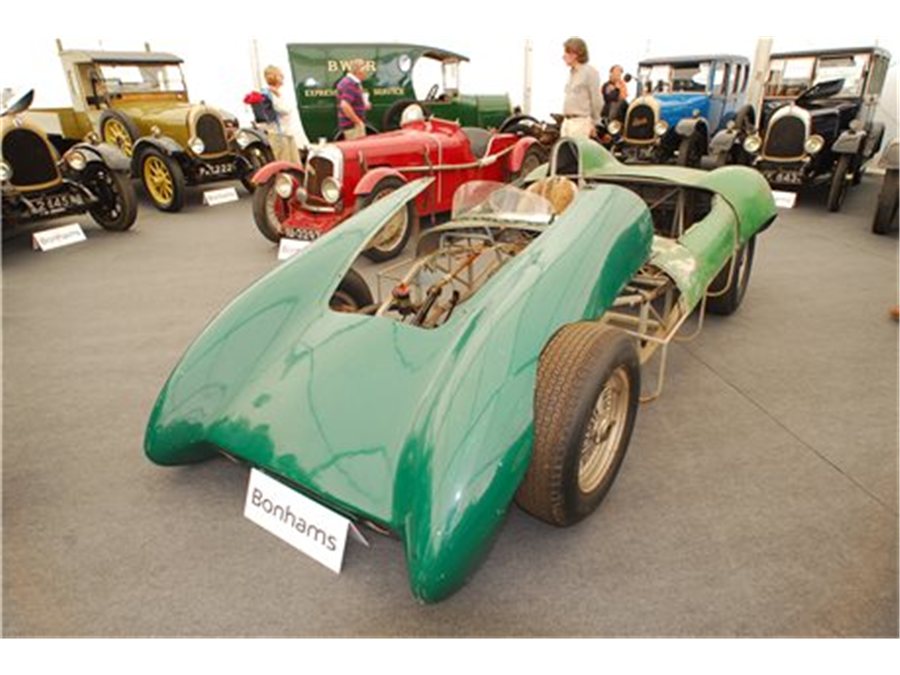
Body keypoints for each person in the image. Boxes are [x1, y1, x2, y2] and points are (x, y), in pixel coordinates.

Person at [260, 65, 307, 160]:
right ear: (274, 77)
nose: (283, 78)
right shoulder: (270, 93)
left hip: (285, 132)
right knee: (285, 161)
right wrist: (279, 96)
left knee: (293, 160)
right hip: (279, 134)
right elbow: (284, 109)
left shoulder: (273, 92)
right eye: (280, 75)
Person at [560, 37, 603, 140]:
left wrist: (595, 123)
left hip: (580, 122)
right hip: (567, 122)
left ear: (575, 54)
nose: (563, 56)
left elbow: (596, 100)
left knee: (577, 155)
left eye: (566, 53)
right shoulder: (572, 74)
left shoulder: (590, 72)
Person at [336, 59, 371, 140]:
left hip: (352, 125)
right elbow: (344, 105)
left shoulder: (352, 83)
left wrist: (363, 105)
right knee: (358, 149)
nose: (367, 73)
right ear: (359, 71)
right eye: (365, 70)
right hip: (352, 126)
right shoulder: (349, 84)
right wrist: (358, 122)